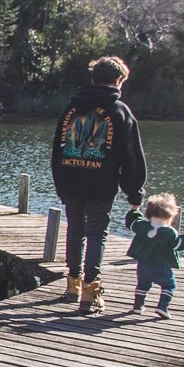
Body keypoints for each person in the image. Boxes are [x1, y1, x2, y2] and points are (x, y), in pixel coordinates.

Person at [51, 55, 146, 314]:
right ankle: (91, 294)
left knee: (75, 230)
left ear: (93, 78)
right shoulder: (119, 111)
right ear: (118, 80)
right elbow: (131, 156)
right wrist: (134, 192)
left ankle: (72, 286)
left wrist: (59, 181)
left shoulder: (71, 108)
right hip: (100, 183)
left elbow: (57, 151)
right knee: (96, 233)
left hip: (70, 179)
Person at [124, 194, 184, 315]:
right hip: (162, 267)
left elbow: (131, 222)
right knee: (169, 286)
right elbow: (178, 245)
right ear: (170, 215)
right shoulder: (169, 232)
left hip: (143, 265)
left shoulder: (142, 226)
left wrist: (135, 209)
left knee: (143, 284)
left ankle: (138, 307)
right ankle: (162, 307)